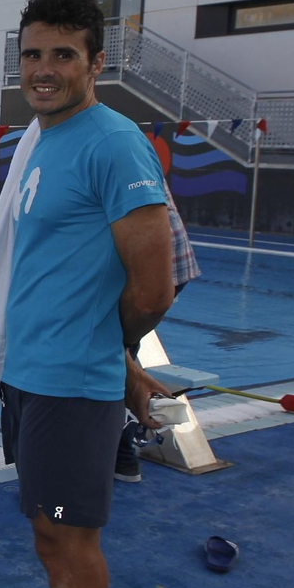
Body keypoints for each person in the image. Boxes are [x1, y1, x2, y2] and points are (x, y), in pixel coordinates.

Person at [0, 0, 173, 588]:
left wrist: (107, 361)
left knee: (69, 547)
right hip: (36, 371)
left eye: (62, 55)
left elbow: (152, 286)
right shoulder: (42, 138)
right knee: (54, 543)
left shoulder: (112, 144)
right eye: (32, 54)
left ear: (95, 61)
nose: (43, 69)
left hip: (69, 383)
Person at [116, 193, 201, 482]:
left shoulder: (110, 151)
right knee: (116, 354)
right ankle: (119, 454)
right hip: (163, 265)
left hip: (151, 269)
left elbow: (152, 299)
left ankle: (120, 453)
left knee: (109, 355)